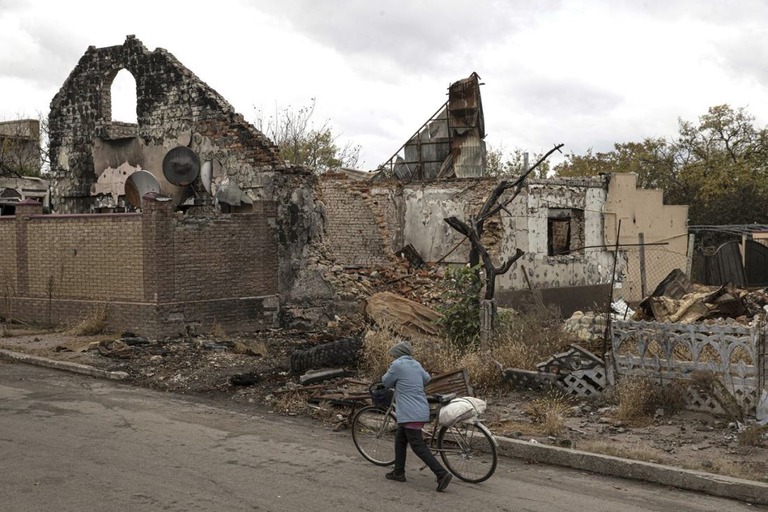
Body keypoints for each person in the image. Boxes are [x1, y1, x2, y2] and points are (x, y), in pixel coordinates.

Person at [381, 340, 453, 492]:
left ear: (397, 355)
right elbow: (426, 379)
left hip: (409, 412)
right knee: (400, 439)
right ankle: (399, 472)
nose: (393, 358)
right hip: (420, 408)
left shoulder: (397, 365)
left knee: (417, 445)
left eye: (393, 356)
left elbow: (385, 381)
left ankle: (441, 473)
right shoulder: (416, 364)